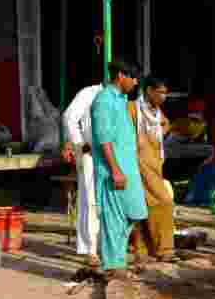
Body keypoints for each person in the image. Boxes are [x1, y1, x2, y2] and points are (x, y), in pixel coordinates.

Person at [91, 59, 147, 278]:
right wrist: (114, 169)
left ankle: (117, 262)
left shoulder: (122, 99)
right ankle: (113, 266)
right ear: (121, 76)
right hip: (113, 172)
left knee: (133, 214)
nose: (135, 83)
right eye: (133, 78)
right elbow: (103, 139)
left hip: (128, 169)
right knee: (113, 219)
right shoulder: (104, 100)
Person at [127, 76, 176, 264]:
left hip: (155, 166)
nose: (163, 97)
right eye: (160, 92)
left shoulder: (157, 113)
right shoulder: (132, 108)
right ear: (148, 91)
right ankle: (165, 249)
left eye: (165, 93)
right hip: (137, 164)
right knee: (163, 201)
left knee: (144, 209)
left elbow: (164, 126)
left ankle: (143, 251)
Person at [62, 80, 104, 267]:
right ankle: (91, 249)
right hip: (89, 153)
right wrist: (79, 143)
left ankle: (103, 246)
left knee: (105, 201)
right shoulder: (90, 92)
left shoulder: (120, 98)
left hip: (110, 155)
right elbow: (70, 116)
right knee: (90, 200)